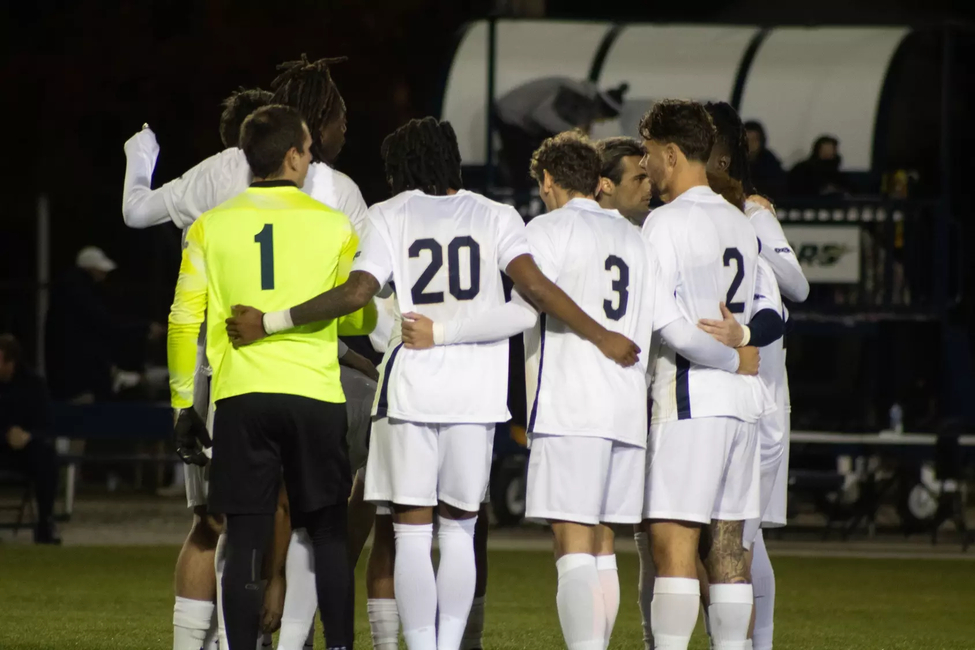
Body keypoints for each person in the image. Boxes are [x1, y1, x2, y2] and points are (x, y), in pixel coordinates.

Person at [225, 117, 641, 650]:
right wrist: (603, 335)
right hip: (477, 395)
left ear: (402, 167)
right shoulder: (498, 215)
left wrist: (274, 319)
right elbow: (531, 294)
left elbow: (356, 294)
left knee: (413, 535)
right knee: (460, 533)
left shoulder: (389, 214)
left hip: (413, 393)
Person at [398, 131, 761, 650]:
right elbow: (677, 329)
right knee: (602, 547)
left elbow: (525, 308)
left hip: (570, 409)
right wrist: (734, 357)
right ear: (596, 180)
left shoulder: (545, 231)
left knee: (572, 549)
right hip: (628, 416)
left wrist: (445, 332)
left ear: (548, 181)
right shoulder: (638, 238)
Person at [122, 59, 381, 650]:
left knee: (229, 530)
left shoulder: (211, 222)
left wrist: (183, 405)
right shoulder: (334, 214)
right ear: (295, 152)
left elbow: (182, 318)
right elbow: (360, 309)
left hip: (234, 393)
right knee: (328, 533)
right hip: (316, 391)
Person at [638, 100, 775, 650]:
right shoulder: (737, 220)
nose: (646, 168)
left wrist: (728, 355)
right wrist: (741, 351)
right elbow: (771, 307)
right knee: (728, 552)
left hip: (691, 404)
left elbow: (664, 320)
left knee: (673, 547)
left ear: (671, 154)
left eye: (649, 155)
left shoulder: (665, 222)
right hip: (742, 408)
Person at [706, 101, 811, 650]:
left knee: (740, 537)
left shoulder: (751, 214)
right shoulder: (697, 214)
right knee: (741, 539)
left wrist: (756, 242)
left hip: (760, 393)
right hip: (719, 389)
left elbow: (798, 285)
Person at [45, 246, 164, 402]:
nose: (104, 274)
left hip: (71, 373)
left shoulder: (75, 291)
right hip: (78, 377)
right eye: (100, 270)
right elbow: (106, 325)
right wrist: (144, 328)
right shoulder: (78, 294)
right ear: (90, 269)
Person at [494, 77, 627, 199]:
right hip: (510, 114)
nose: (601, 122)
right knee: (526, 161)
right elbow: (541, 115)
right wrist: (573, 132)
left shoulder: (583, 98)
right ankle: (520, 194)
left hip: (521, 118)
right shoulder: (574, 95)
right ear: (602, 110)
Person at [0, 334, 60, 544]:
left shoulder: (33, 384)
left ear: (10, 362)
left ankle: (45, 524)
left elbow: (47, 424)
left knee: (46, 457)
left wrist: (28, 436)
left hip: (25, 449)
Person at [595, 136, 652, 226]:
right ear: (606, 185)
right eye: (639, 179)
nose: (649, 187)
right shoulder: (578, 232)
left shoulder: (649, 228)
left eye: (649, 178)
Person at [743, 120, 786, 201]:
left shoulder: (769, 161)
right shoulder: (730, 160)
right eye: (747, 140)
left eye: (754, 140)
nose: (750, 144)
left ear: (761, 141)